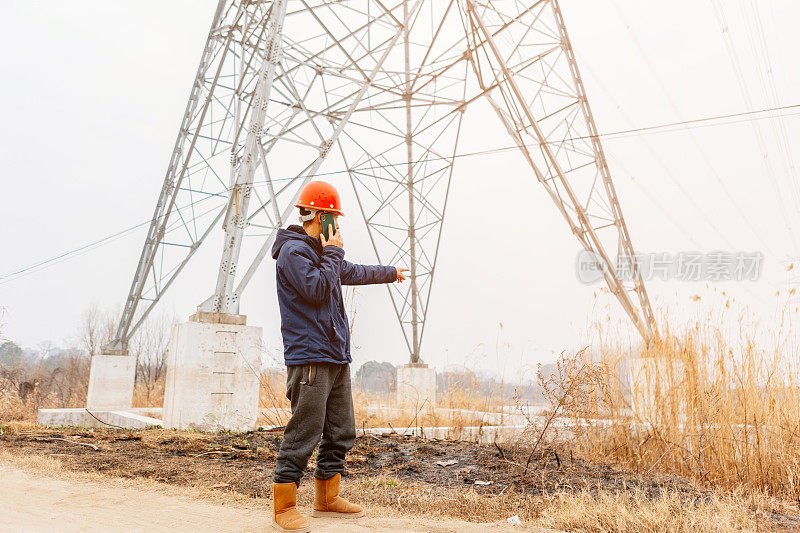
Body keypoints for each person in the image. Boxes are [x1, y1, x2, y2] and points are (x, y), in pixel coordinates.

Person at [270, 181, 408, 533]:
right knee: (305, 431)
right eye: (334, 217)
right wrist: (332, 252)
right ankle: (284, 507)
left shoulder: (321, 253)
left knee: (341, 430)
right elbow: (317, 289)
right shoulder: (294, 252)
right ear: (319, 216)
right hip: (310, 357)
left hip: (334, 356)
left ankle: (327, 499)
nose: (338, 226)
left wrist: (389, 273)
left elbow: (352, 272)